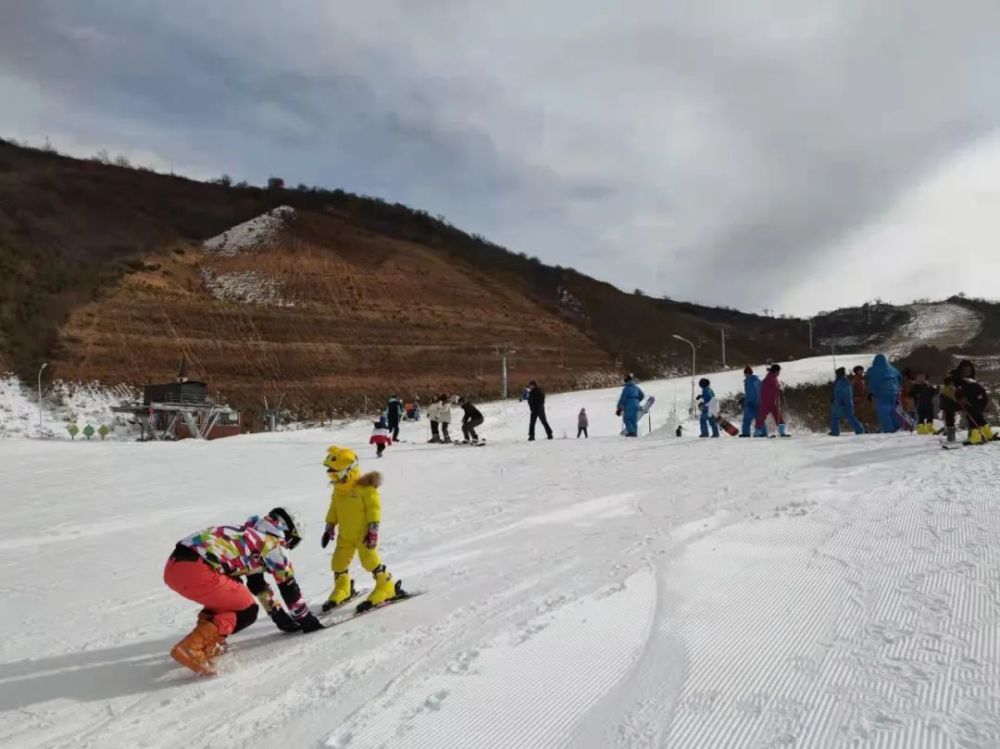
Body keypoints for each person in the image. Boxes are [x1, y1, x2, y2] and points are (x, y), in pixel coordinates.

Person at [163, 507, 323, 675]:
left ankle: (207, 643)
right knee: (247, 611)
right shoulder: (273, 544)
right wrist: (306, 620)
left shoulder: (251, 535)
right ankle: (193, 647)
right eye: (293, 542)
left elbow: (257, 584)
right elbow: (288, 586)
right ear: (288, 532)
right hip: (198, 570)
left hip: (175, 567)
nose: (289, 547)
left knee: (233, 597)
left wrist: (280, 617)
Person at [321, 447, 406, 612]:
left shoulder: (365, 489)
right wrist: (329, 526)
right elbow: (334, 508)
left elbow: (374, 509)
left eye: (336, 474)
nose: (334, 479)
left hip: (364, 535)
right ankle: (343, 588)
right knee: (338, 562)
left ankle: (386, 586)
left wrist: (373, 530)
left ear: (350, 471)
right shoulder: (339, 490)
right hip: (345, 535)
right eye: (331, 475)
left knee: (369, 561)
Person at [954, 359, 994, 444]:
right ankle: (987, 434)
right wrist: (960, 397)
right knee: (978, 417)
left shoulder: (967, 379)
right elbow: (957, 390)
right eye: (965, 369)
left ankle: (976, 437)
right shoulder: (961, 379)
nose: (967, 371)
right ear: (961, 369)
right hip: (974, 399)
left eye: (968, 369)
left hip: (975, 399)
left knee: (973, 417)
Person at [864, 354, 902, 433]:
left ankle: (889, 428)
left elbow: (871, 382)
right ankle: (897, 425)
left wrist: (872, 392)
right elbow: (900, 377)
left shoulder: (873, 370)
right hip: (894, 391)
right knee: (893, 409)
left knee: (884, 411)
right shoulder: (892, 369)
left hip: (883, 392)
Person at [829, 367, 865, 436]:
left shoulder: (841, 382)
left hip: (840, 402)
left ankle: (835, 432)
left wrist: (836, 399)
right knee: (850, 416)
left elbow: (841, 393)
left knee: (835, 417)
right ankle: (859, 429)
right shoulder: (845, 381)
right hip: (846, 402)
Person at [755, 364, 788, 437]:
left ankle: (782, 432)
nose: (779, 373)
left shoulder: (773, 377)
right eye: (779, 371)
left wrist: (778, 387)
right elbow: (771, 388)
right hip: (766, 402)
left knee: (777, 415)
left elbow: (774, 387)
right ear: (776, 371)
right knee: (762, 417)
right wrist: (778, 388)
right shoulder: (770, 378)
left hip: (772, 402)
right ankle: (757, 432)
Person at [741, 366, 761, 437]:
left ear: (746, 373)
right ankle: (762, 432)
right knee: (759, 419)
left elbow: (751, 392)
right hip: (759, 402)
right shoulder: (757, 380)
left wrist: (748, 401)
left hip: (751, 403)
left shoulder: (749, 380)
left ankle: (746, 433)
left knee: (746, 419)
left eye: (745, 374)